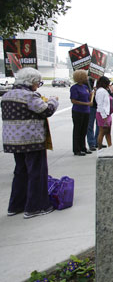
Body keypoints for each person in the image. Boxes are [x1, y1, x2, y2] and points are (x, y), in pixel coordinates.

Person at [2, 68, 59, 219]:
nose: (37, 86)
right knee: (37, 173)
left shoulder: (7, 95)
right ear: (32, 82)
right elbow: (47, 110)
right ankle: (36, 206)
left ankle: (16, 206)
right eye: (37, 83)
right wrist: (53, 100)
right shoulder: (30, 96)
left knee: (20, 172)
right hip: (31, 139)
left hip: (13, 140)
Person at [70, 70, 93, 156]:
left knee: (84, 130)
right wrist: (86, 103)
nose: (86, 78)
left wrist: (91, 95)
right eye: (85, 76)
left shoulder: (85, 87)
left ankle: (83, 147)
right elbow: (74, 100)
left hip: (86, 111)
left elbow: (88, 97)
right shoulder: (74, 88)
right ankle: (77, 149)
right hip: (78, 111)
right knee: (77, 130)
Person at [95, 76, 113, 149]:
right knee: (102, 132)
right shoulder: (101, 91)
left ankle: (110, 146)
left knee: (108, 132)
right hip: (102, 114)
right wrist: (104, 116)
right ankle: (99, 148)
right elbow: (100, 105)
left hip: (106, 114)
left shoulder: (104, 91)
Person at [86, 78, 99, 151]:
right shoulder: (87, 83)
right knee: (90, 125)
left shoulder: (99, 82)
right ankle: (91, 143)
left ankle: (97, 141)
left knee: (99, 125)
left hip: (99, 106)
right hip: (91, 106)